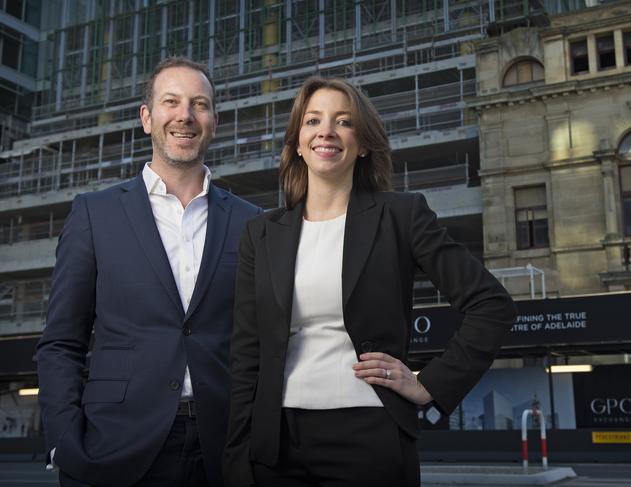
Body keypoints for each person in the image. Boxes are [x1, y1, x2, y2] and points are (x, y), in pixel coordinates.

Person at [223, 77, 517, 487]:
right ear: (297, 143)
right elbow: (246, 355)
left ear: (362, 144)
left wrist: (428, 383)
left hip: (368, 436)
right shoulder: (261, 233)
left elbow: (492, 305)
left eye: (343, 121)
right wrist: (237, 457)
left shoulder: (402, 215)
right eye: (312, 121)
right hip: (275, 444)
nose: (326, 130)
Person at [36, 57, 261, 487]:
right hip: (116, 447)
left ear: (213, 120)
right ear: (147, 117)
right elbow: (61, 342)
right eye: (171, 102)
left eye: (199, 104)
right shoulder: (94, 214)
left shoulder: (252, 222)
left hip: (227, 451)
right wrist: (63, 441)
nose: (185, 116)